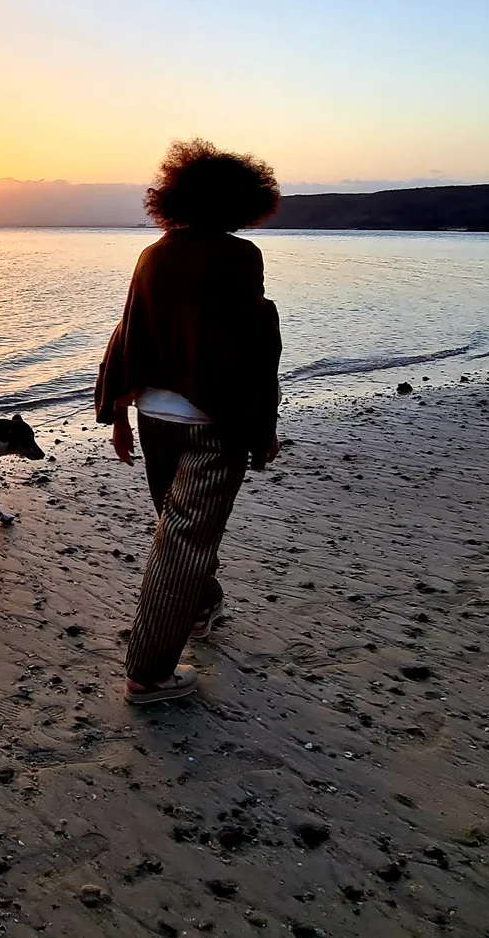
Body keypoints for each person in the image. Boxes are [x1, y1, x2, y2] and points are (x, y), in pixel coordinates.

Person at [94, 139, 283, 704]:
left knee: (177, 529)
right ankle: (148, 676)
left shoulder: (154, 253)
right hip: (211, 421)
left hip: (154, 417)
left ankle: (199, 608)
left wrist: (120, 415)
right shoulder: (239, 256)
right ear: (242, 202)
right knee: (182, 541)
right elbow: (253, 346)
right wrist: (262, 425)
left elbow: (130, 334)